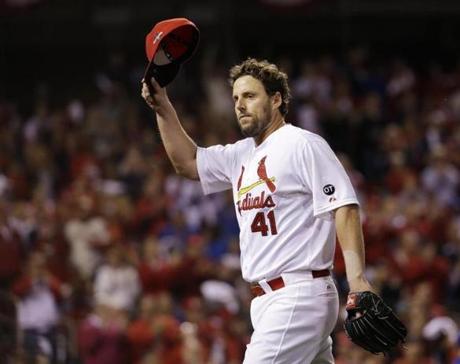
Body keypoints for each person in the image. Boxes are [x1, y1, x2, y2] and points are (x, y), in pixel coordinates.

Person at [141, 58, 373, 363]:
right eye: (236, 98)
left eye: (250, 96)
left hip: (298, 293)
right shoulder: (241, 154)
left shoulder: (301, 144)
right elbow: (187, 162)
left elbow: (344, 206)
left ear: (276, 99)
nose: (240, 105)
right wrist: (162, 106)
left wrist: (357, 279)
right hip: (269, 301)